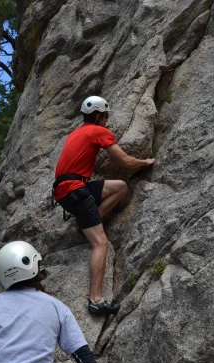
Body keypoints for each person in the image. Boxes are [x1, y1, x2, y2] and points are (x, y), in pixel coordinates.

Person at [53, 96, 155, 315]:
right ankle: (96, 301)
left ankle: (89, 222)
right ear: (99, 116)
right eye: (106, 117)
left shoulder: (76, 133)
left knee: (120, 187)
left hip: (69, 189)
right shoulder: (98, 131)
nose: (107, 122)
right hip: (76, 191)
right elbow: (125, 161)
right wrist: (146, 162)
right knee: (101, 244)